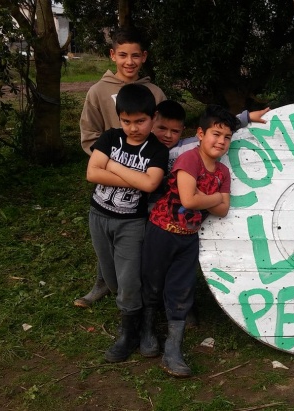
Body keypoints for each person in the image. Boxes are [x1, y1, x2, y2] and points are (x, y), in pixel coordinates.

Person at [140, 105, 238, 377]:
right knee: (152, 281)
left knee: (181, 289)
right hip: (162, 230)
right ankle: (146, 330)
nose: (221, 141)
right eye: (216, 134)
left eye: (227, 137)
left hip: (188, 237)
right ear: (200, 134)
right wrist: (215, 197)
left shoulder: (222, 173)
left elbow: (224, 209)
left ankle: (173, 349)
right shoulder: (189, 160)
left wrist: (211, 199)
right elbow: (189, 200)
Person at [74, 27, 166, 309]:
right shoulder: (98, 92)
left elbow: (162, 134)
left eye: (135, 56)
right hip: (108, 176)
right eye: (123, 55)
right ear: (113, 55)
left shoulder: (154, 92)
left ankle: (147, 291)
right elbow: (89, 134)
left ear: (144, 57)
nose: (129, 62)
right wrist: (109, 163)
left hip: (145, 178)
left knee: (137, 239)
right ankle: (103, 281)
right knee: (105, 232)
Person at [85, 84, 169, 362]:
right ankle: (131, 311)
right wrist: (135, 177)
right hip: (98, 217)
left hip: (131, 224)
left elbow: (151, 183)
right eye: (127, 121)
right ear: (119, 117)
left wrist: (113, 166)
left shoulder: (156, 150)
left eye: (141, 121)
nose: (133, 128)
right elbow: (92, 173)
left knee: (129, 278)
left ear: (153, 117)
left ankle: (129, 333)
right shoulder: (110, 137)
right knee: (111, 277)